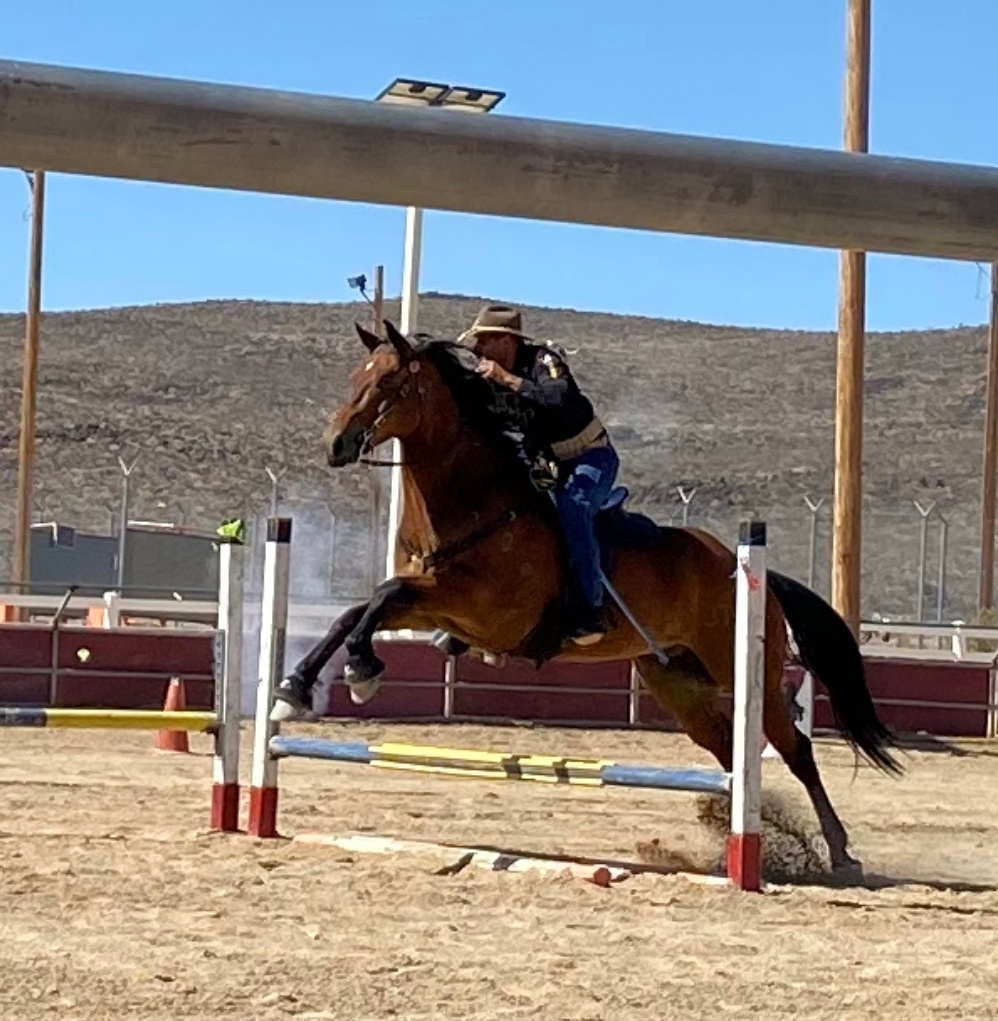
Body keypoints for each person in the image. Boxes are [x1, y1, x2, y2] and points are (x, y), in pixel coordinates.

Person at [459, 303, 619, 645]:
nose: (478, 351)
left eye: (483, 342)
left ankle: (590, 610)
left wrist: (508, 380)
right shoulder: (489, 381)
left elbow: (559, 397)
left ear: (505, 340)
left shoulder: (543, 361)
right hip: (547, 465)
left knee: (573, 507)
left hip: (592, 457)